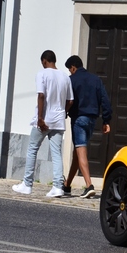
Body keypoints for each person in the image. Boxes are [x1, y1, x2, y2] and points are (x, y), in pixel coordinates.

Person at [12, 50, 74, 197]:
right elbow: (70, 101)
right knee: (56, 153)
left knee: (32, 148)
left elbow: (41, 95)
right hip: (59, 120)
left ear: (44, 61)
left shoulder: (42, 74)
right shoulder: (65, 77)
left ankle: (27, 184)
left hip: (44, 119)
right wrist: (63, 113)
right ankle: (58, 186)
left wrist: (40, 118)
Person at [63, 55, 112, 198]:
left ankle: (89, 185)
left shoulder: (71, 80)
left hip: (79, 119)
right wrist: (106, 120)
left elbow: (68, 100)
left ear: (73, 67)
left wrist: (64, 112)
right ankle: (67, 185)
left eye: (69, 70)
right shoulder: (95, 79)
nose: (70, 73)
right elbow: (105, 101)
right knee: (77, 154)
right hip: (92, 120)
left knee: (81, 151)